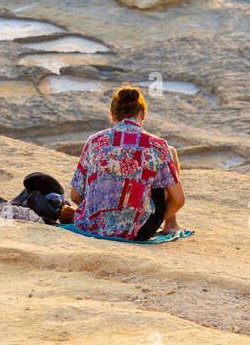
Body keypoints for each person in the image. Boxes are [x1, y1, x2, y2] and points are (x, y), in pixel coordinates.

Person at [69, 85, 185, 242]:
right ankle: (170, 224)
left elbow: (75, 195)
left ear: (112, 115)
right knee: (169, 153)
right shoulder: (157, 145)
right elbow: (178, 200)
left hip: (91, 225)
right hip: (138, 231)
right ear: (143, 113)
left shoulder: (95, 141)